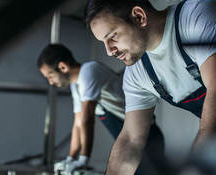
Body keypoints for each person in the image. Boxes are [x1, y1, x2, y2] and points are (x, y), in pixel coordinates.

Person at [85, 0, 216, 174]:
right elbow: (131, 141)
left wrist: (194, 168)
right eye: (104, 43)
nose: (109, 51)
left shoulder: (197, 14)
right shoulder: (137, 74)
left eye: (113, 37)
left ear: (139, 16)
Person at [37, 44, 164, 174]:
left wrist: (83, 159)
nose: (51, 82)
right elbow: (78, 124)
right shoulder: (76, 85)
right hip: (129, 140)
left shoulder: (89, 71)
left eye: (50, 76)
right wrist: (70, 158)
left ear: (63, 67)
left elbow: (87, 119)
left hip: (147, 136)